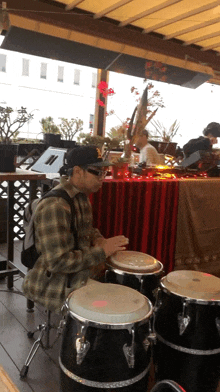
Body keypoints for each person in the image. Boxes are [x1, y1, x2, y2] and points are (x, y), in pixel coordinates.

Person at [22, 146, 129, 313]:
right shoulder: (55, 206)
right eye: (98, 172)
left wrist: (99, 239)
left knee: (123, 287)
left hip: (75, 272)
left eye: (105, 172)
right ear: (78, 172)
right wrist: (102, 252)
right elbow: (57, 262)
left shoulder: (80, 196)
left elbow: (86, 229)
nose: (103, 178)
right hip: (53, 283)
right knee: (114, 307)